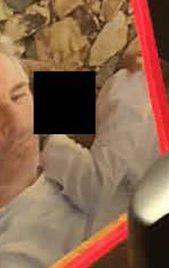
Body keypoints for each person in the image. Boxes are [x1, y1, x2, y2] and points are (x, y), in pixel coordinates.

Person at [0, 39, 156, 268]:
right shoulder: (13, 253)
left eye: (17, 95)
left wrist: (130, 65)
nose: (17, 121)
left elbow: (118, 84)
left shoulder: (43, 125)